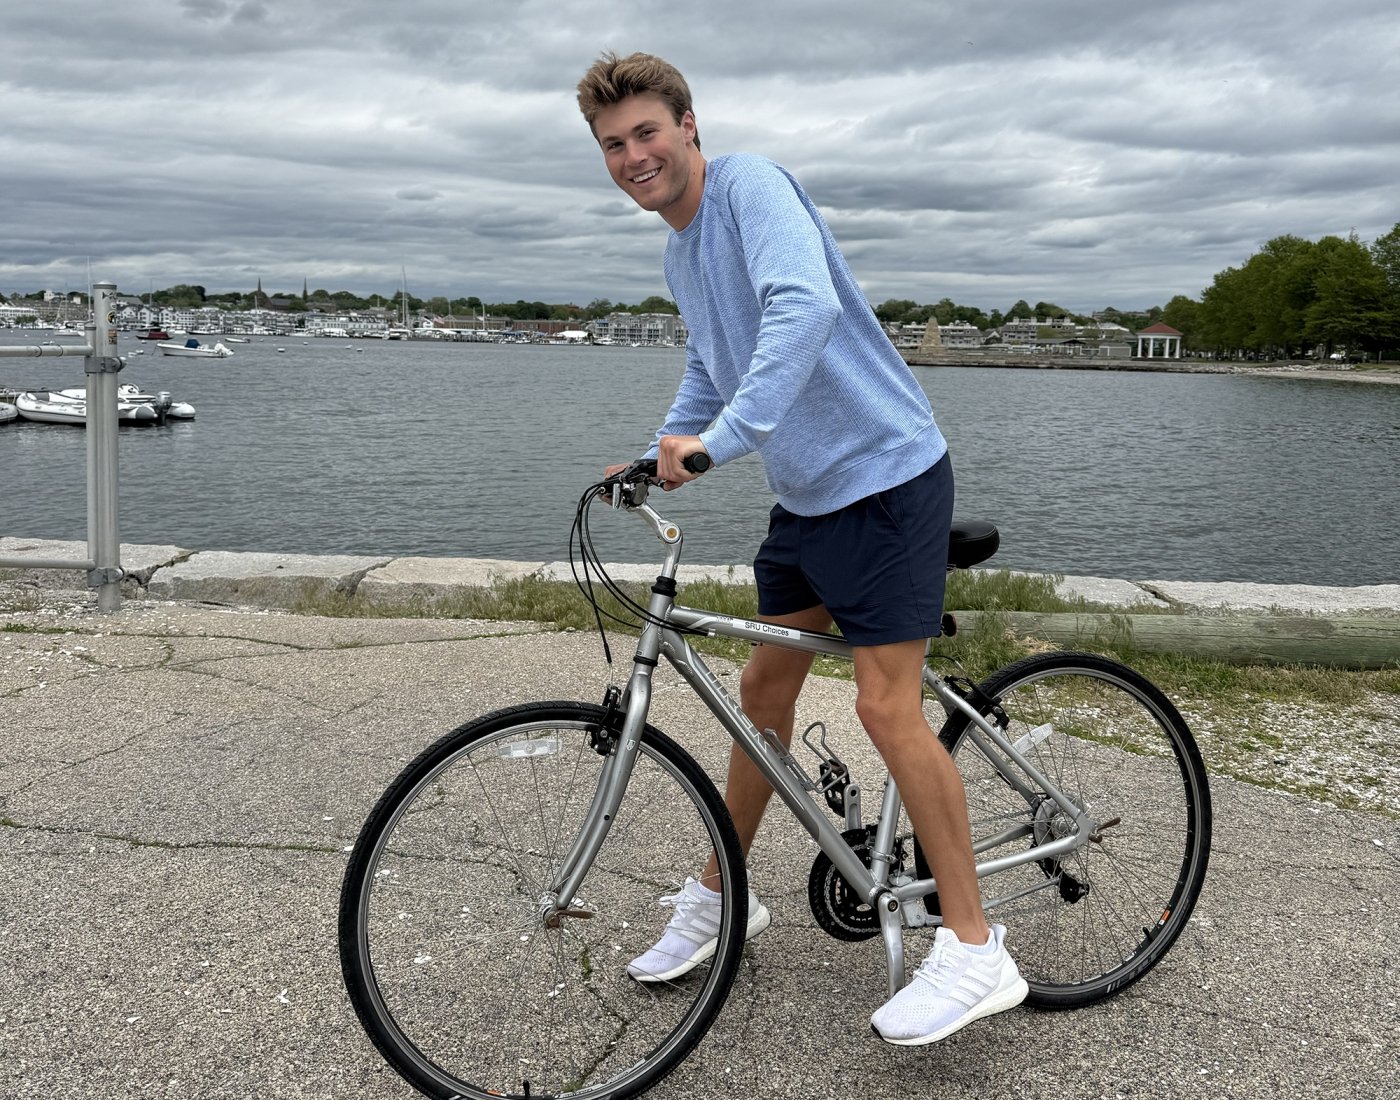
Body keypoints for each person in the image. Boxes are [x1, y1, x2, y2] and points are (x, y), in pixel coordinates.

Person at [576, 50, 1027, 1046]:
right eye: (613, 144)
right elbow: (711, 362)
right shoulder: (678, 248)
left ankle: (972, 943)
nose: (633, 155)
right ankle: (724, 894)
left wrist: (726, 440)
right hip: (809, 499)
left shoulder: (749, 187)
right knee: (764, 692)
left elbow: (801, 307)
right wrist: (661, 451)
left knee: (880, 702)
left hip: (887, 479)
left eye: (647, 133)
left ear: (689, 126)